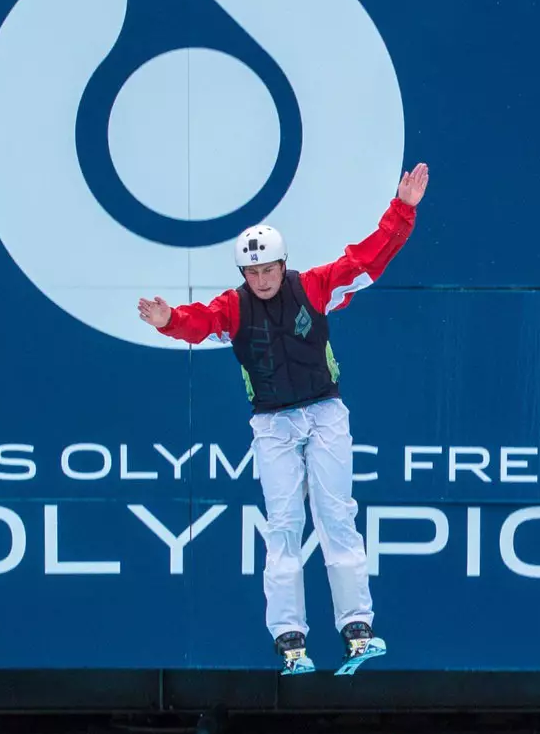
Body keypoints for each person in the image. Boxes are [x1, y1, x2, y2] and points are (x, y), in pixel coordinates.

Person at [137, 164, 429, 675]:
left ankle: (357, 627)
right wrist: (169, 321)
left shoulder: (313, 288)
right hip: (272, 424)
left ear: (282, 264)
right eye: (254, 273)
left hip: (324, 412)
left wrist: (401, 211)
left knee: (337, 514)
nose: (263, 279)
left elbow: (366, 261)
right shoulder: (234, 308)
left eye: (269, 269)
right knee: (284, 523)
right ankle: (289, 636)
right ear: (243, 276)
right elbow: (198, 323)